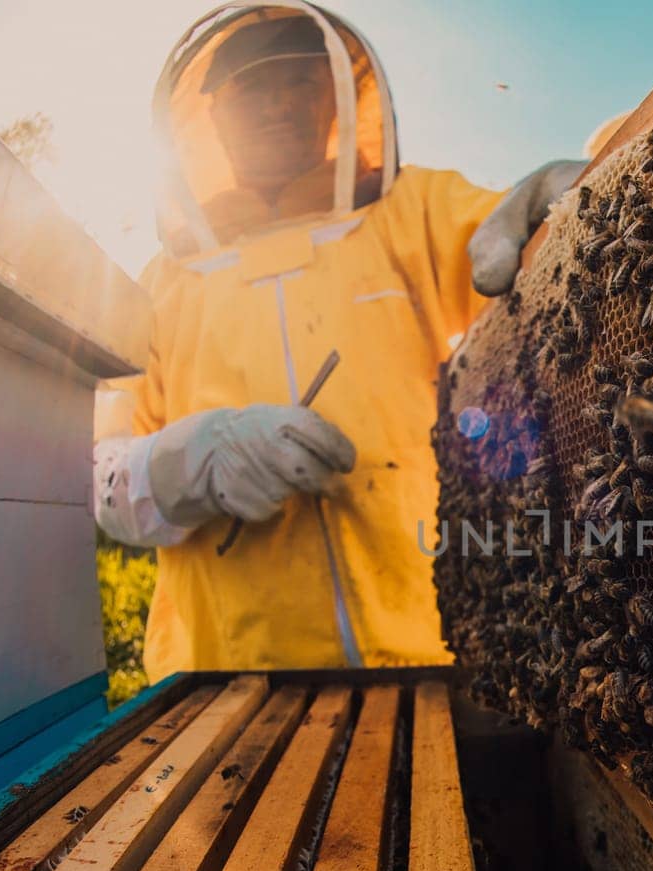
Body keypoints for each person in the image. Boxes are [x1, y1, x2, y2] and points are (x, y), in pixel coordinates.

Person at [93, 3, 582, 677]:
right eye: (251, 87)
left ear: (336, 101)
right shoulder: (157, 287)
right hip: (220, 680)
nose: (276, 104)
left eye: (299, 80)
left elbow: (526, 246)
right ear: (208, 119)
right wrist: (194, 464)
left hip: (428, 660)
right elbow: (101, 481)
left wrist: (590, 189)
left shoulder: (413, 211)